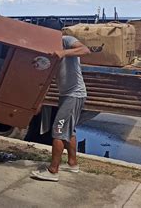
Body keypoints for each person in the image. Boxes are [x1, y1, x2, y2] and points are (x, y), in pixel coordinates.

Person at [31, 35, 90, 182]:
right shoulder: (47, 51)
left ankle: (53, 171)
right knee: (69, 131)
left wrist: (63, 52)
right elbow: (47, 78)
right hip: (66, 94)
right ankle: (72, 163)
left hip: (74, 94)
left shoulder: (67, 40)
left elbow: (85, 50)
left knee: (58, 131)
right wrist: (39, 101)